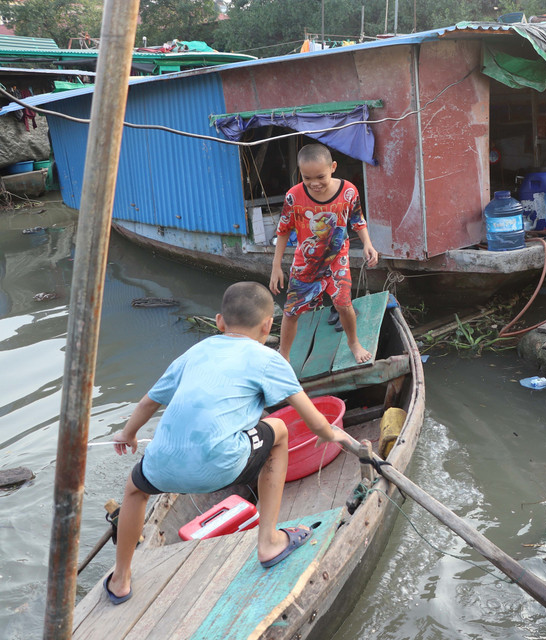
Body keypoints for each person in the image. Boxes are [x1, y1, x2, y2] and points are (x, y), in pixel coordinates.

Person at [104, 282, 353, 605]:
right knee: (278, 429)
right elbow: (314, 420)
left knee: (134, 490)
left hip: (162, 465)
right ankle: (269, 541)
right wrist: (334, 435)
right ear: (268, 326)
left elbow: (148, 403)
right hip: (222, 466)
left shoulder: (195, 352)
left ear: (220, 322)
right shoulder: (269, 359)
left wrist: (127, 434)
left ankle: (121, 578)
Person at [270, 143, 379, 364]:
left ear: (333, 167)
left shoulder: (348, 191)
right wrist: (276, 266)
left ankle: (354, 343)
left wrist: (368, 244)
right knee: (291, 312)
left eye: (320, 176)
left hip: (337, 259)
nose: (314, 183)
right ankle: (284, 355)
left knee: (343, 304)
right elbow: (283, 230)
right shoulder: (294, 196)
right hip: (306, 262)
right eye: (307, 178)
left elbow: (357, 220)